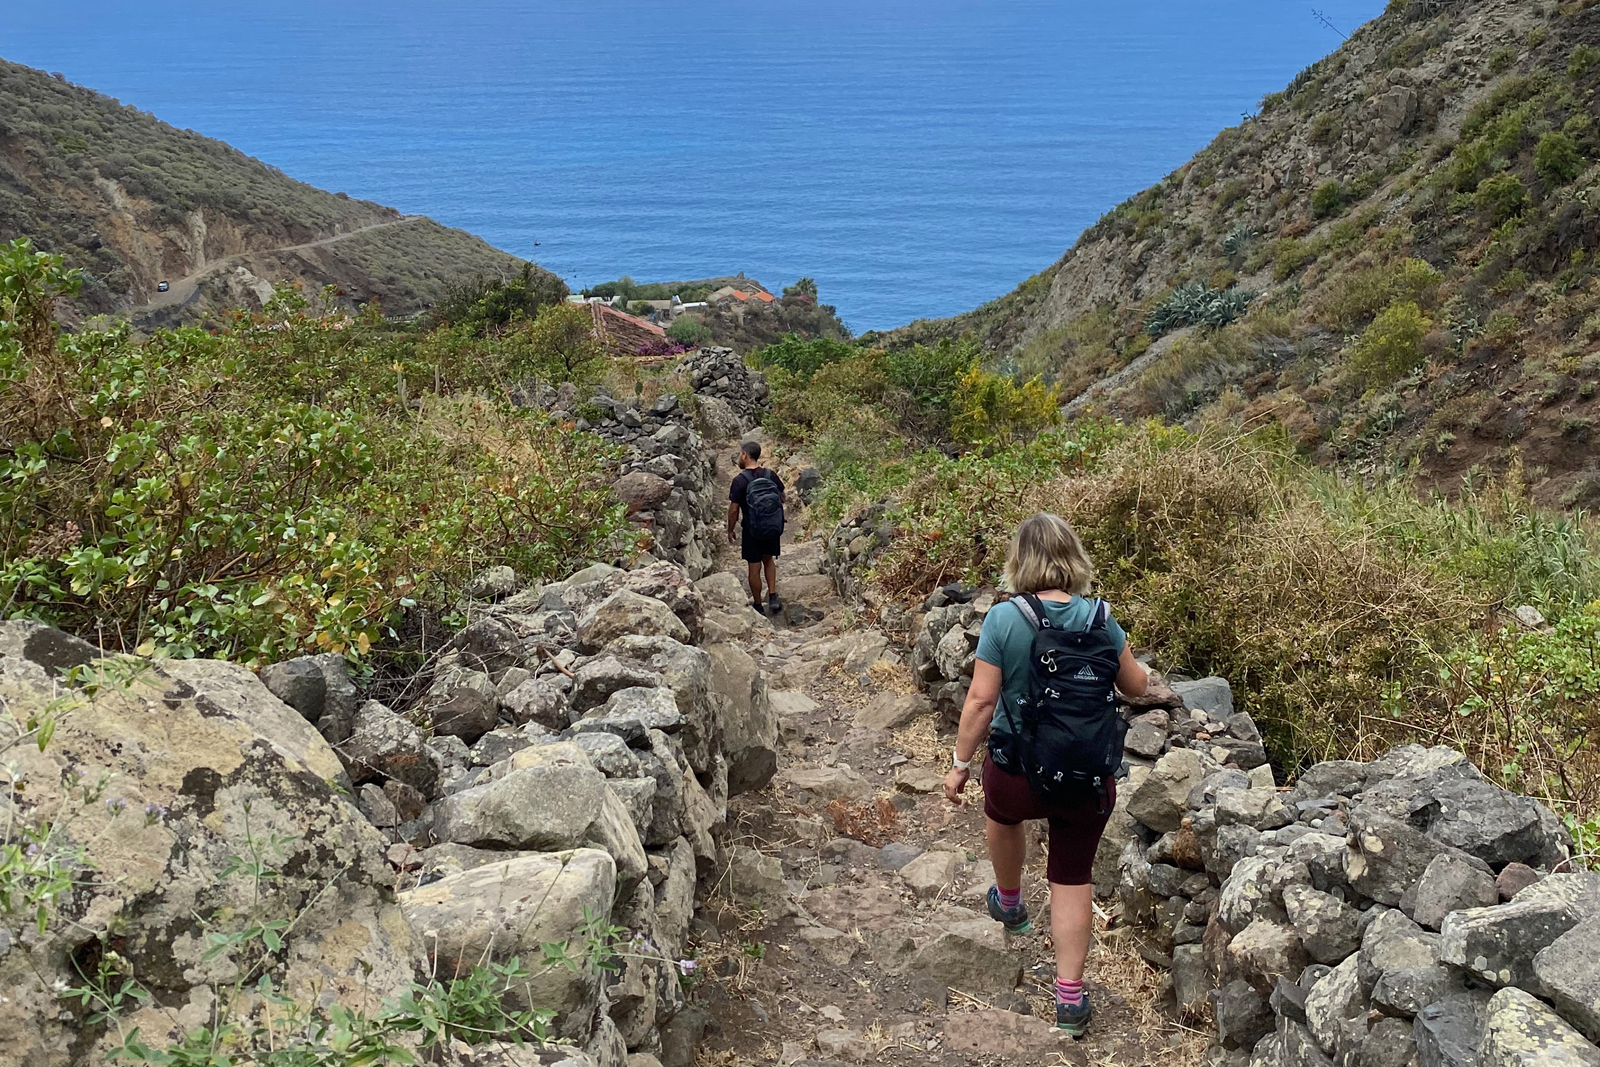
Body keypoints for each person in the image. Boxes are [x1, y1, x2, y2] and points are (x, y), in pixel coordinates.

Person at [944, 513, 1149, 1037]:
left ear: (1021, 561)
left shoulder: (1006, 618)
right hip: (1087, 778)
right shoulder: (1100, 616)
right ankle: (1070, 1001)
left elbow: (981, 700)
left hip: (1019, 774)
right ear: (1073, 558)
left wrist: (961, 764)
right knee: (1072, 876)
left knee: (1002, 812)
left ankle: (1010, 904)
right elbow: (1136, 685)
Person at [727, 440, 785, 613]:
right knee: (768, 559)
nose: (739, 456)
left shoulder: (739, 481)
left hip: (752, 530)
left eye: (739, 453)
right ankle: (773, 596)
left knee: (754, 566)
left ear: (745, 455)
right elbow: (782, 497)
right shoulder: (770, 475)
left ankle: (758, 605)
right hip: (771, 526)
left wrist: (730, 529)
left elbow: (733, 510)